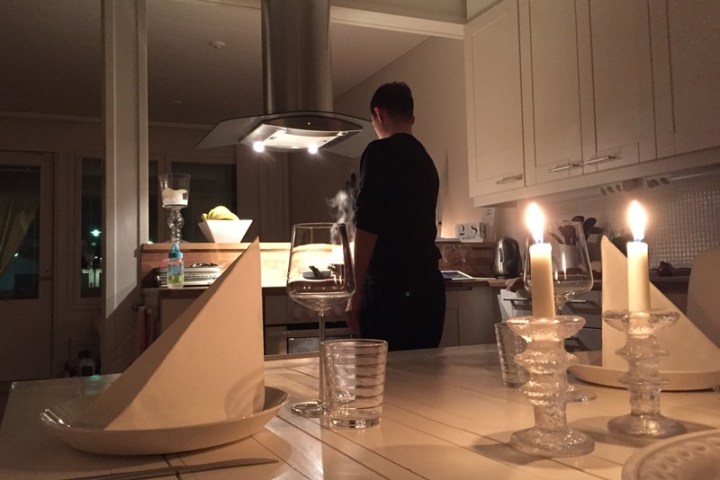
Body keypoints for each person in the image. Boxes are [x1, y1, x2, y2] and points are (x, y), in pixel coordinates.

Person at [346, 82, 445, 351]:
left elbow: (368, 225)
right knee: (422, 373)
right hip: (428, 290)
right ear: (411, 117)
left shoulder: (379, 151)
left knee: (382, 372)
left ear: (378, 114)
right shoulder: (426, 161)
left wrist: (355, 290)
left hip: (390, 289)